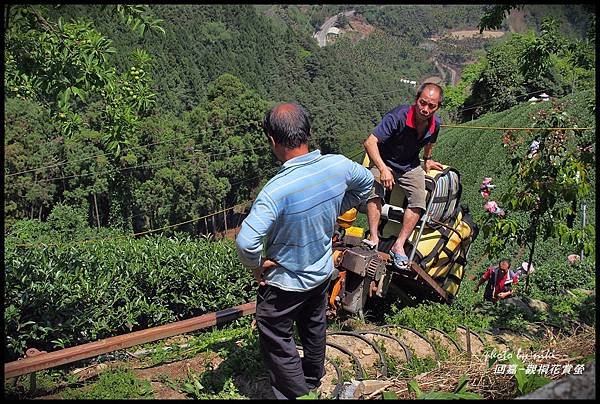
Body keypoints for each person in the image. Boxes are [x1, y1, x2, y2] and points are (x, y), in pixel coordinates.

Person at [235, 103, 373, 399]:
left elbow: (246, 242)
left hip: (286, 283)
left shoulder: (275, 191)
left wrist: (258, 264)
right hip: (321, 273)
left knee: (275, 333)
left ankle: (297, 393)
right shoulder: (338, 165)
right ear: (307, 132)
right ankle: (312, 376)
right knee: (313, 326)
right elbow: (367, 183)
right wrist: (337, 204)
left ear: (272, 139)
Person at [363, 82, 444, 269]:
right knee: (374, 191)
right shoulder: (398, 117)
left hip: (409, 164)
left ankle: (399, 245)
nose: (425, 109)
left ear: (438, 107)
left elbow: (431, 141)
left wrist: (428, 159)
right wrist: (383, 169)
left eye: (431, 106)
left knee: (418, 200)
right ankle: (374, 237)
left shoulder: (435, 124)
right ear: (416, 100)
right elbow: (370, 142)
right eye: (422, 103)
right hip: (384, 159)